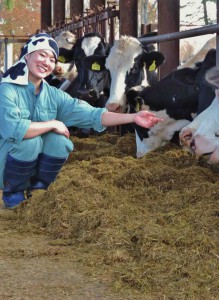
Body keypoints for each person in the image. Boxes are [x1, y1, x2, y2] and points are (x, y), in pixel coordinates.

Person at [0, 33, 162, 209]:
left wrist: (133, 117)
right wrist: (53, 124)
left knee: (59, 141)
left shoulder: (53, 94)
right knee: (29, 142)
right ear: (27, 55)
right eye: (41, 55)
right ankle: (13, 194)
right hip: (5, 160)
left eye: (52, 58)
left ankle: (38, 191)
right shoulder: (7, 90)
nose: (46, 62)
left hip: (24, 161)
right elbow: (16, 130)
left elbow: (93, 115)